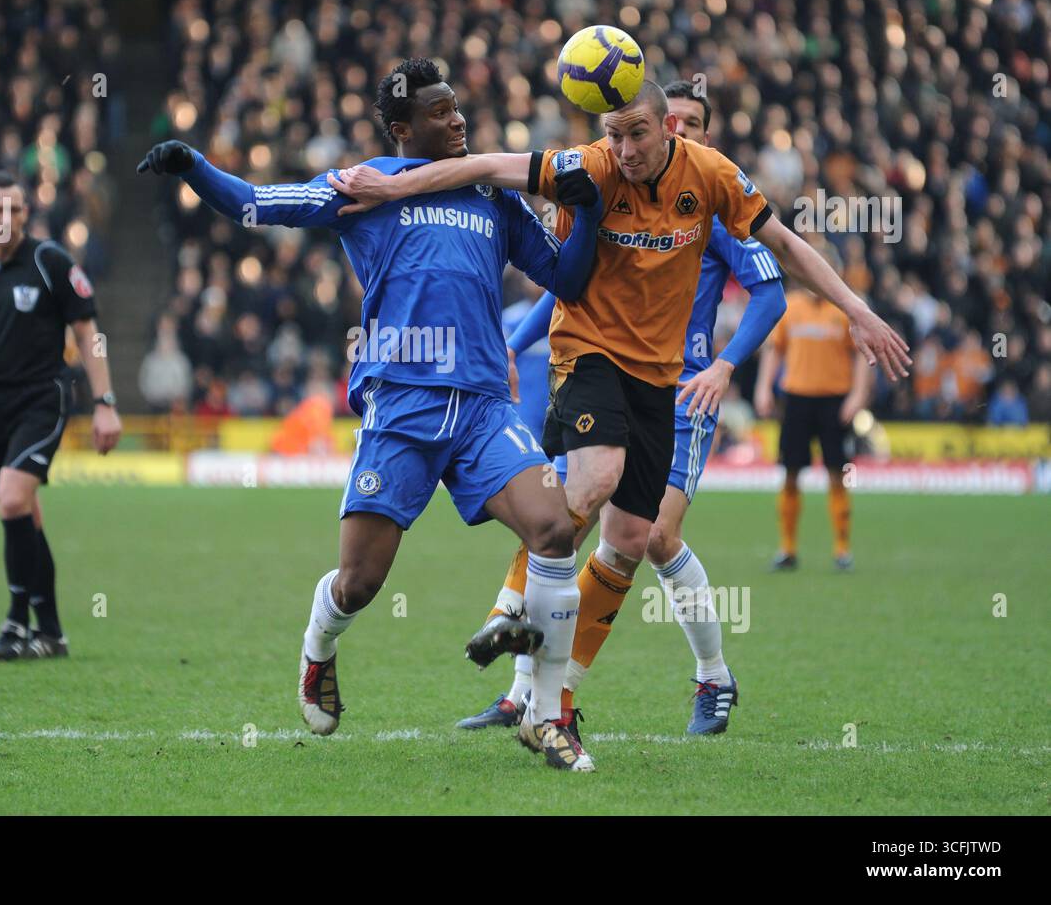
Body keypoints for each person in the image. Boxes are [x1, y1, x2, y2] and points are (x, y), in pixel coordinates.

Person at [330, 78, 911, 759]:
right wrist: (401, 195)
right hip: (593, 362)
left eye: (668, 127)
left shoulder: (713, 192)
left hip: (676, 383)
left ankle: (678, 675)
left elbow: (775, 275)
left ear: (677, 129)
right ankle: (536, 676)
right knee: (591, 502)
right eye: (616, 132)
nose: (632, 145)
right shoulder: (597, 173)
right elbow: (533, 229)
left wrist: (765, 350)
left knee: (638, 536)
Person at [139, 58, 606, 771]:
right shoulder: (363, 186)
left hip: (483, 404)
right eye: (441, 112)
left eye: (457, 109)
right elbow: (258, 203)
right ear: (401, 128)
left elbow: (568, 279)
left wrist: (592, 209)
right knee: (360, 583)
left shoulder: (488, 188)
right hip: (402, 407)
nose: (457, 120)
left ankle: (544, 718)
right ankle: (319, 648)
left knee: (553, 528)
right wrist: (195, 165)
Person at [457, 80, 788, 735]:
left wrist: (723, 367)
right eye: (677, 120)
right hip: (603, 371)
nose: (683, 132)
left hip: (682, 385)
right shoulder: (616, 190)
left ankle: (712, 675)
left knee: (655, 538)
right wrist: (512, 344)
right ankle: (528, 690)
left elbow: (771, 292)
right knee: (569, 522)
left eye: (693, 123)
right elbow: (573, 290)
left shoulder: (712, 207)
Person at [0, 171, 122, 660]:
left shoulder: (50, 262)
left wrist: (105, 404)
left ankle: (16, 622)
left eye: (11, 210)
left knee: (13, 502)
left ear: (24, 214)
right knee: (24, 517)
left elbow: (88, 334)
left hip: (43, 398)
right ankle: (53, 632)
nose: (1, 219)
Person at [754, 246, 871, 571]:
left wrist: (858, 395)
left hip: (836, 401)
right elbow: (774, 351)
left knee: (838, 473)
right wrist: (764, 388)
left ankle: (842, 549)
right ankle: (788, 549)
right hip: (797, 399)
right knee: (790, 474)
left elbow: (861, 354)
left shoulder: (845, 308)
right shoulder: (790, 308)